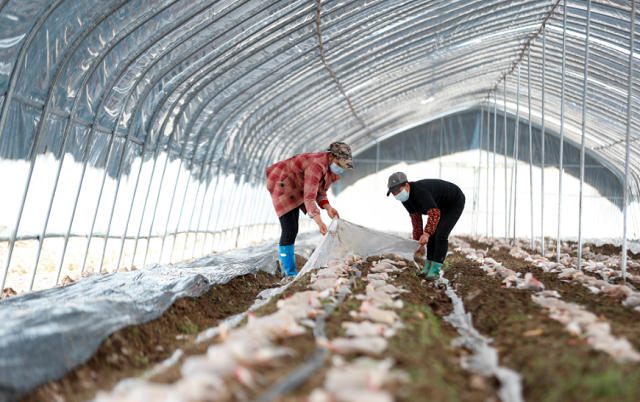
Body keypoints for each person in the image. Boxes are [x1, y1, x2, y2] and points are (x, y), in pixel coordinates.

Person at [266, 142, 354, 276]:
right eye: (339, 162)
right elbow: (309, 197)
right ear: (331, 156)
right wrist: (319, 222)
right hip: (283, 183)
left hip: (297, 186)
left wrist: (328, 208)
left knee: (292, 229)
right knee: (290, 229)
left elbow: (321, 192)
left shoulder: (328, 168)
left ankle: (288, 270)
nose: (341, 166)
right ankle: (288, 272)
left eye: (344, 164)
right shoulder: (315, 166)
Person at [387, 172, 465, 279]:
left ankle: (436, 270)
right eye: (394, 194)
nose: (398, 195)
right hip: (438, 206)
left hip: (453, 202)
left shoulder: (420, 192)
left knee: (440, 234)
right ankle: (428, 266)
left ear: (407, 185)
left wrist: (427, 233)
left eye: (399, 191)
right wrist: (418, 241)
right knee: (431, 236)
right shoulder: (405, 199)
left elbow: (434, 212)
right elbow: (416, 218)